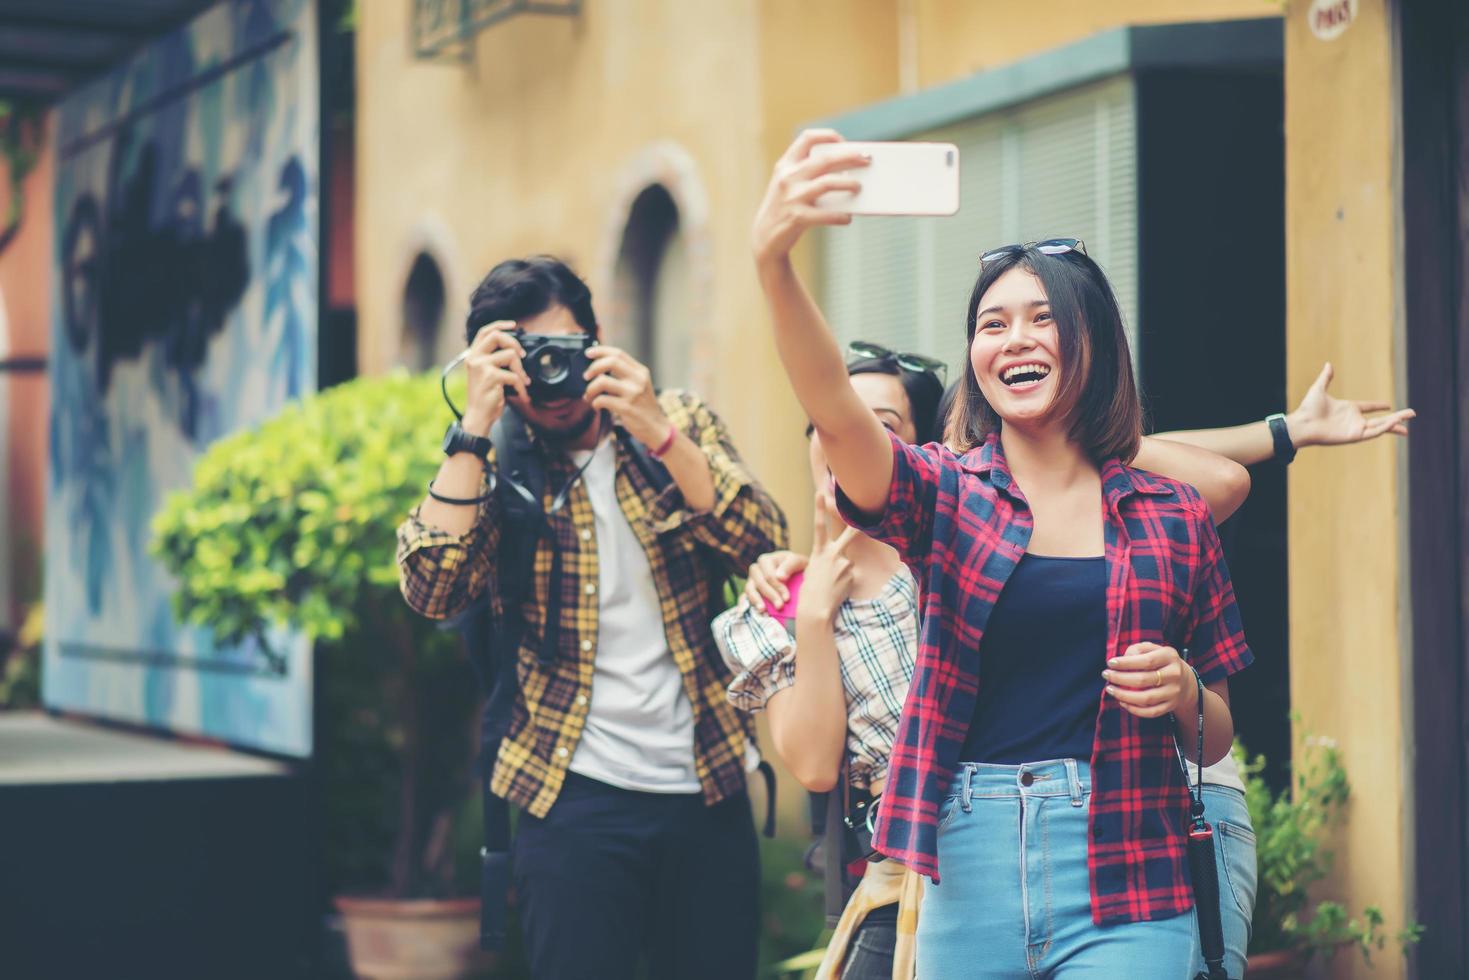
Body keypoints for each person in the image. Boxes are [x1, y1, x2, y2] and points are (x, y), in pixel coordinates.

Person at [752, 130, 1254, 977]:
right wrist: (773, 265)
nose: (1013, 339)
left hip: (1130, 863)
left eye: (1042, 319)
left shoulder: (1173, 516)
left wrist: (1182, 691)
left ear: (1093, 343)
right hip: (967, 854)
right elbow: (839, 413)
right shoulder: (943, 493)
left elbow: (1213, 738)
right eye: (992, 323)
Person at [714, 348, 1258, 980]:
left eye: (885, 423)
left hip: (1099, 825)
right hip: (915, 863)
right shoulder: (787, 593)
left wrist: (1068, 433)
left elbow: (1217, 487)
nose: (852, 434)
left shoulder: (966, 534)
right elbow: (811, 764)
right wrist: (811, 617)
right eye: (833, 422)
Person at [395, 256, 787, 980]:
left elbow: (763, 545)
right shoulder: (492, 461)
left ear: (598, 341)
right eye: (523, 357)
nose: (549, 375)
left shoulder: (675, 422)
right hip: (567, 795)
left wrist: (660, 433)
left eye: (562, 350)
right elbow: (431, 591)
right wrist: (474, 423)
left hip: (706, 786)